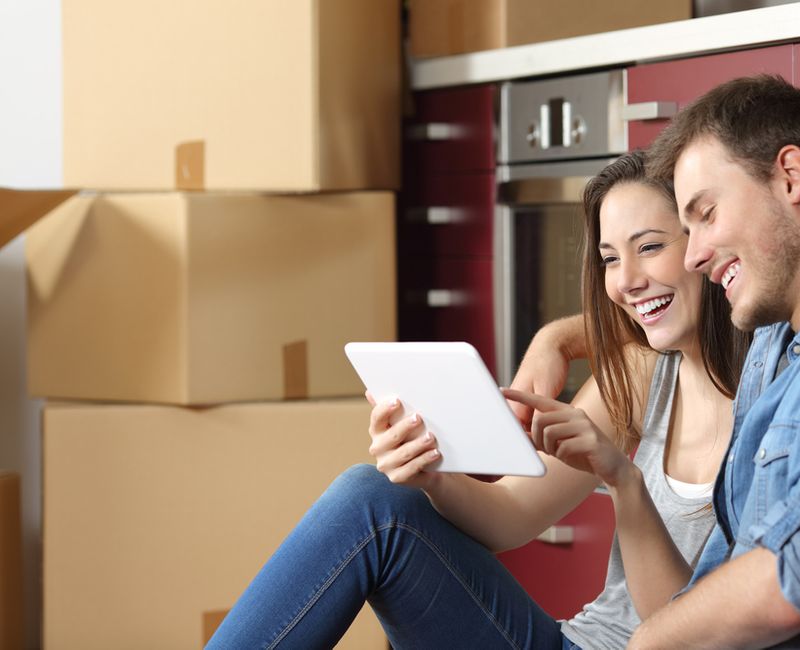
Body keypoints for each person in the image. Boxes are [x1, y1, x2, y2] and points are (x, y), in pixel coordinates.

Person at [206, 150, 751, 649]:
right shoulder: (642, 374)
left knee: (371, 510)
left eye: (650, 246)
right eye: (609, 258)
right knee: (375, 499)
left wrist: (622, 479)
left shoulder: (779, 400)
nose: (626, 280)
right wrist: (431, 474)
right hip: (572, 641)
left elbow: (687, 636)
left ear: (704, 246)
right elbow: (509, 516)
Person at [518, 75, 800, 648]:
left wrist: (647, 643)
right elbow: (654, 313)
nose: (697, 253)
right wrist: (559, 337)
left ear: (790, 176)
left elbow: (791, 579)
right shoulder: (774, 339)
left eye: (705, 215)